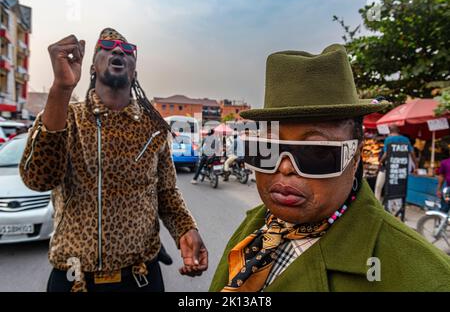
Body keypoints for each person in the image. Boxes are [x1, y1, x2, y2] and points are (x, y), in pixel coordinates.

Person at [209, 44, 450, 292]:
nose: (284, 167)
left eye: (316, 151)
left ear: (355, 156)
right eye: (266, 149)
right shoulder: (257, 224)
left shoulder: (428, 280)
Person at [19, 28, 208, 292]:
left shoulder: (153, 126)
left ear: (134, 72)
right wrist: (61, 89)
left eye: (127, 49)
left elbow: (166, 192)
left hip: (141, 278)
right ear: (93, 66)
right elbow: (38, 180)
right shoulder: (65, 116)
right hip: (75, 281)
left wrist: (186, 230)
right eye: (107, 46)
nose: (118, 50)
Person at [375, 125, 418, 203]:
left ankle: (377, 203)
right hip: (400, 167)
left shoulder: (388, 139)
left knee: (378, 186)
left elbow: (386, 153)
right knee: (396, 187)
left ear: (389, 131)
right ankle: (395, 204)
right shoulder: (405, 139)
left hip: (388, 166)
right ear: (398, 130)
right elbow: (412, 153)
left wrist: (380, 162)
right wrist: (416, 166)